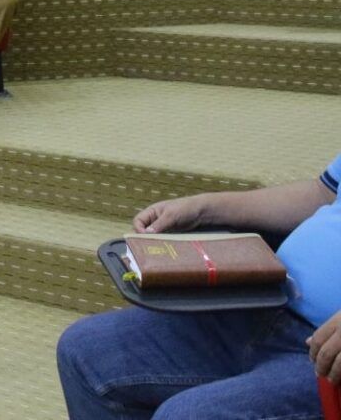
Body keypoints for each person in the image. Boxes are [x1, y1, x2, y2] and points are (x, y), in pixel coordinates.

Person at [56, 154, 341, 418]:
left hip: (324, 353)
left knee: (186, 415)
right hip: (264, 301)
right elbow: (323, 193)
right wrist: (204, 208)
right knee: (85, 352)